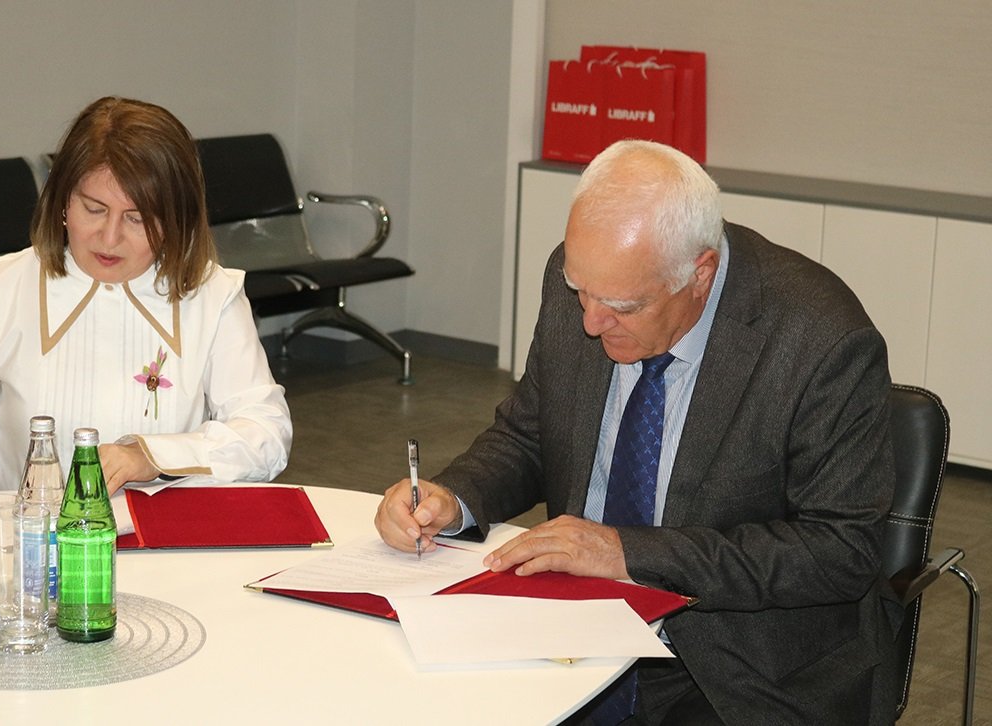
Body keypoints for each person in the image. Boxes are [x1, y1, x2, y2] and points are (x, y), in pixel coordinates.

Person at [375, 140, 901, 724]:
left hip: (734, 663)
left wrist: (629, 553)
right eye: (581, 291)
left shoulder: (819, 339)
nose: (591, 321)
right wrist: (455, 499)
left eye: (622, 306)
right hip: (571, 627)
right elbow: (531, 434)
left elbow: (840, 549)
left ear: (699, 274)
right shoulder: (587, 279)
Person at [0, 96, 292, 513]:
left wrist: (151, 457)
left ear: (176, 220)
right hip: (31, 538)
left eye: (137, 218)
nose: (109, 238)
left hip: (162, 537)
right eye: (94, 209)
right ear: (63, 202)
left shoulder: (212, 295)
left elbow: (266, 432)